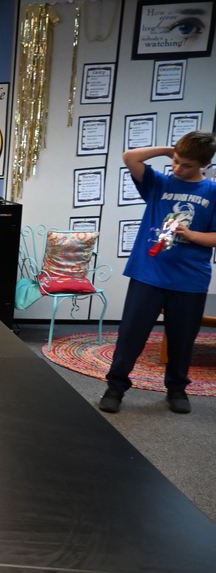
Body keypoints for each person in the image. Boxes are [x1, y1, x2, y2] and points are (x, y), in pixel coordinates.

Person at [99, 132, 216, 415]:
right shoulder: (159, 183)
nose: (178, 169)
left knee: (182, 337)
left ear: (205, 164)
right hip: (148, 272)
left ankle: (176, 389)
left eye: (187, 165)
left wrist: (190, 234)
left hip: (190, 279)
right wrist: (170, 150)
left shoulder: (212, 192)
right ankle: (115, 387)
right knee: (131, 334)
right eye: (176, 161)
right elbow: (130, 156)